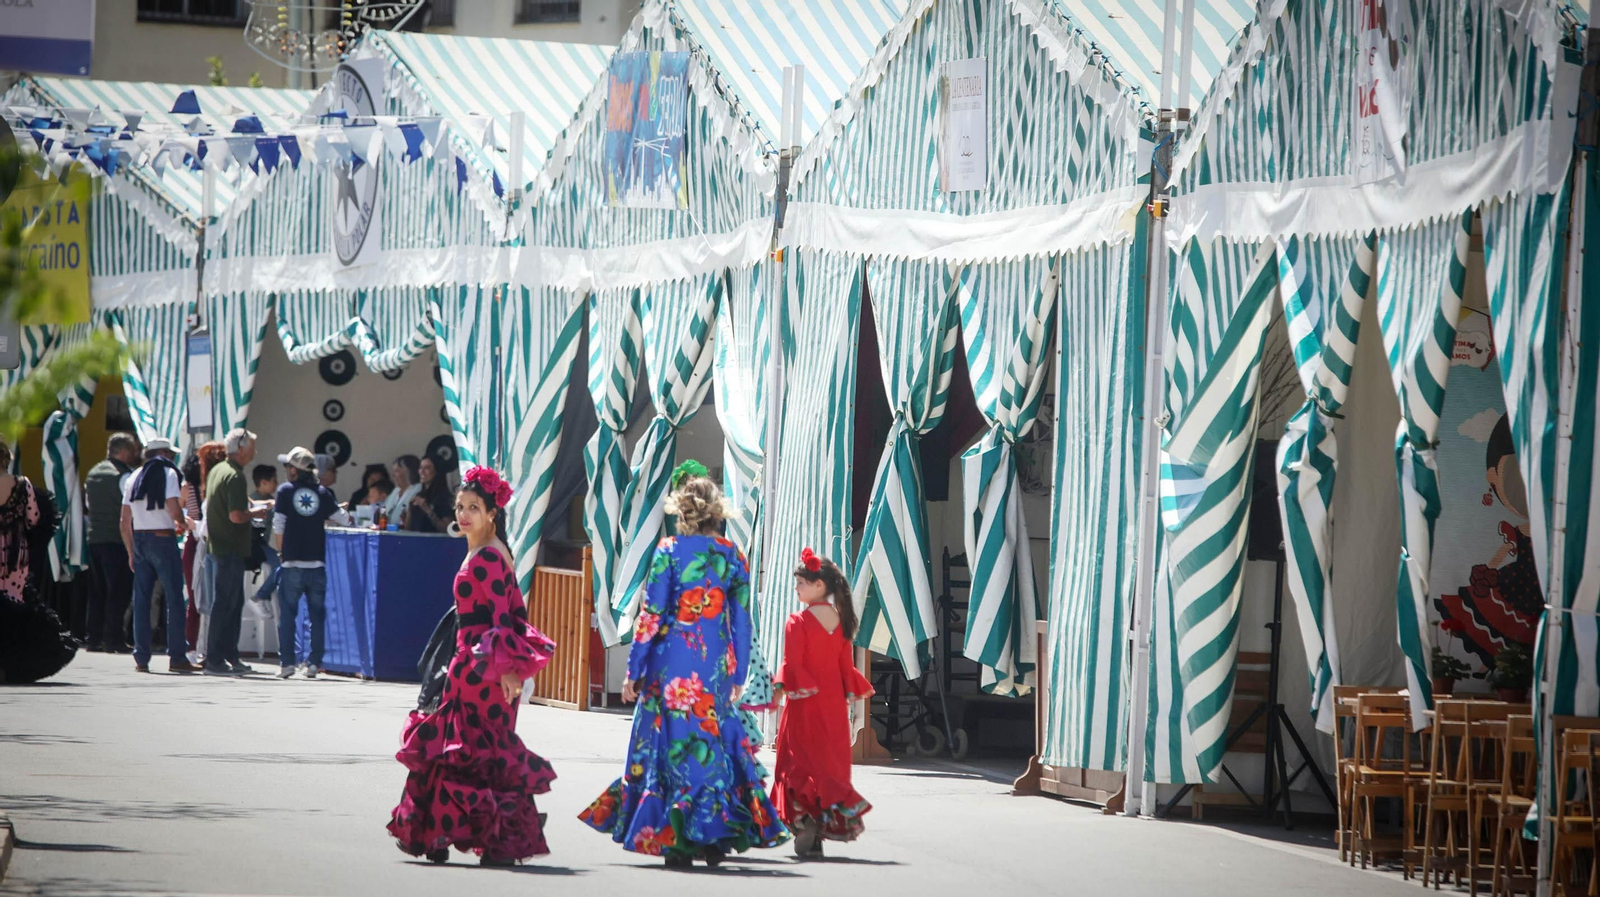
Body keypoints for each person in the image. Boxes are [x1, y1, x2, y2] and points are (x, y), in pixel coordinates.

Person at [579, 467, 786, 867]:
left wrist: (634, 670)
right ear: (716, 513)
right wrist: (739, 674)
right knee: (713, 744)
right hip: (714, 667)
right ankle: (713, 832)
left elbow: (651, 616)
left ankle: (674, 835)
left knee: (668, 746)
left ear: (682, 512)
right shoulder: (732, 555)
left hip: (669, 667)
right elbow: (743, 622)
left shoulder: (669, 551)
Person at [387, 466, 557, 866]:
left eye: (473, 508)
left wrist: (508, 671)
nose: (463, 515)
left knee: (466, 750)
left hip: (481, 672)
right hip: (473, 666)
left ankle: (456, 835)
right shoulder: (491, 550)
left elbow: (502, 620)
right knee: (474, 751)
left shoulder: (488, 558)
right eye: (460, 507)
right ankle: (462, 836)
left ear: (491, 513)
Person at [771, 548, 874, 859]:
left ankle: (803, 820)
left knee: (795, 763)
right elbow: (846, 670)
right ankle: (817, 829)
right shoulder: (842, 621)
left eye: (800, 583)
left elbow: (792, 664)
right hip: (832, 709)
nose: (796, 589)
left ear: (818, 585)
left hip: (804, 706)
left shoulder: (797, 622)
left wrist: (778, 690)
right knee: (827, 766)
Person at [0, 440, 77, 684]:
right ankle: (10, 664)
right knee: (15, 605)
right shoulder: (23, 485)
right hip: (15, 557)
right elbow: (34, 518)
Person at [271, 446, 351, 679]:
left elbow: (278, 526)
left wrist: (281, 553)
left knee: (288, 616)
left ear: (295, 471)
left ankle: (287, 663)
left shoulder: (284, 492)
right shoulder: (323, 493)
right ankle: (314, 663)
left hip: (292, 564)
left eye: (288, 467)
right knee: (316, 616)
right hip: (317, 564)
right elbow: (343, 520)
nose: (286, 470)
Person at [122, 437, 199, 674]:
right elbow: (174, 507)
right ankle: (177, 656)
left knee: (142, 600)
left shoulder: (133, 477)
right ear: (164, 453)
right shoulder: (169, 474)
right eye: (172, 455)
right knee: (175, 597)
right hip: (163, 539)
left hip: (141, 539)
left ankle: (141, 657)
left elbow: (124, 521)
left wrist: (130, 551)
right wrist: (184, 523)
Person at [202, 429, 268, 677]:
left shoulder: (218, 470)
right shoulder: (235, 476)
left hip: (219, 547)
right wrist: (257, 513)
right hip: (228, 549)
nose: (254, 452)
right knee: (226, 604)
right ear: (241, 449)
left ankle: (229, 655)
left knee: (231, 603)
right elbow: (236, 516)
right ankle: (215, 660)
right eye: (251, 447)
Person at [83, 432, 140, 653]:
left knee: (97, 592)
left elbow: (89, 506)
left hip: (94, 538)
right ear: (124, 451)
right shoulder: (124, 476)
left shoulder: (93, 472)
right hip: (116, 541)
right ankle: (114, 639)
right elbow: (130, 509)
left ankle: (94, 638)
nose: (136, 454)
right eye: (133, 450)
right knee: (118, 591)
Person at [250, 464, 281, 606]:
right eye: (274, 480)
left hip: (262, 545)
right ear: (263, 482)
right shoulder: (253, 501)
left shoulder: (271, 500)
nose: (277, 484)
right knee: (280, 564)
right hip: (254, 545)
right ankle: (260, 597)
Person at [404, 457, 453, 534]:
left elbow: (448, 529)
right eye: (420, 468)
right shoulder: (419, 495)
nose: (422, 472)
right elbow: (407, 530)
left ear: (436, 471)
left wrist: (428, 510)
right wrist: (409, 511)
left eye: (427, 468)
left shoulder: (443, 497)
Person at [384, 455, 422, 523]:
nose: (393, 475)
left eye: (397, 471)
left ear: (409, 471)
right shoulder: (396, 491)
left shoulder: (418, 490)